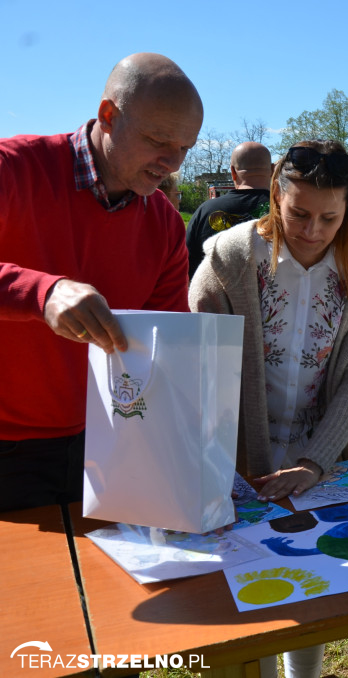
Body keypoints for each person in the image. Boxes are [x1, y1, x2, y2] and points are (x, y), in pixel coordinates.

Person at [190, 140, 348, 678]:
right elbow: (201, 370)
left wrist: (317, 460)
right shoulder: (230, 260)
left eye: (330, 217)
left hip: (314, 457)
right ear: (275, 194)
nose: (312, 230)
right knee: (249, 593)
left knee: (312, 581)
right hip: (232, 458)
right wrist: (221, 461)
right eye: (298, 213)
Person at [0, 52, 202, 513]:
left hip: (109, 443)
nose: (171, 162)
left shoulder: (166, 227)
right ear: (108, 116)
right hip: (7, 444)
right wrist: (42, 293)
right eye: (157, 140)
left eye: (185, 148)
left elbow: (164, 345)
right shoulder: (12, 169)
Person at [186, 141, 272, 279]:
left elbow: (187, 266)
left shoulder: (206, 210)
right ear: (272, 170)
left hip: (215, 297)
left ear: (233, 172)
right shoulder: (286, 211)